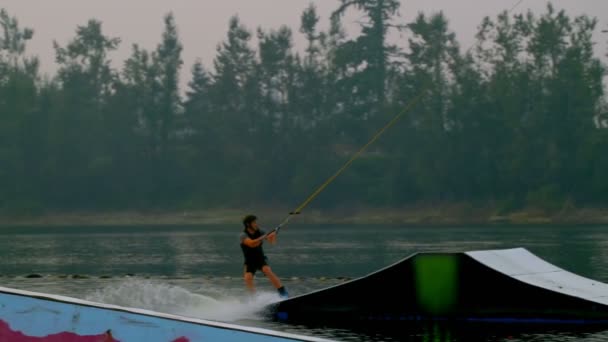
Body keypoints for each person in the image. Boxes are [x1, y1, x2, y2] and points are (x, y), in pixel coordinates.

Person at [240, 214, 289, 299]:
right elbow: (252, 244)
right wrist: (264, 236)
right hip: (249, 261)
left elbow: (272, 242)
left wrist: (273, 235)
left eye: (256, 222)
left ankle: (283, 293)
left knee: (267, 270)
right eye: (254, 222)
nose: (256, 224)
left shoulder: (261, 232)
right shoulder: (243, 235)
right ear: (248, 224)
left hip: (260, 258)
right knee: (248, 278)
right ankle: (253, 299)